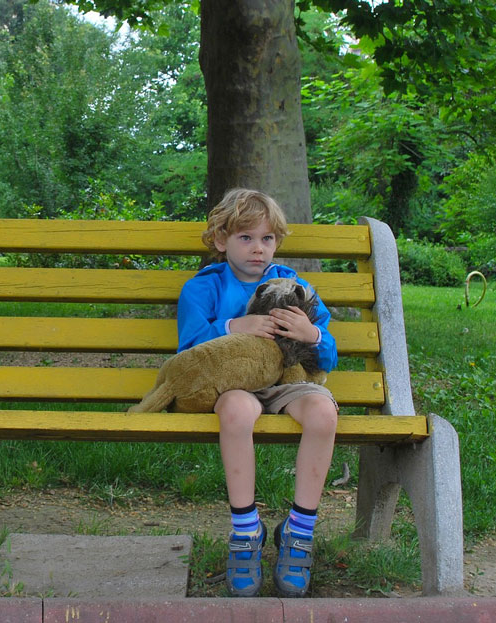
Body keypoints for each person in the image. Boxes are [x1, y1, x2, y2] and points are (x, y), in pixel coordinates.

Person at [177, 188, 338, 598]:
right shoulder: (203, 288)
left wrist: (312, 333)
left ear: (277, 243)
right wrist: (234, 327)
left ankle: (299, 532)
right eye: (245, 238)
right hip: (235, 385)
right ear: (220, 240)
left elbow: (329, 357)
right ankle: (246, 533)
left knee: (323, 413)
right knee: (234, 412)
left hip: (287, 380)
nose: (257, 249)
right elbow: (189, 348)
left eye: (267, 239)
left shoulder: (295, 287)